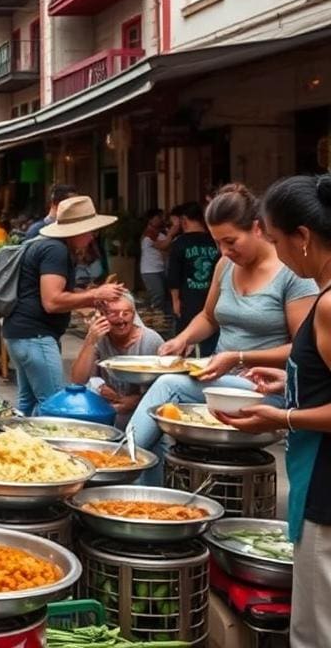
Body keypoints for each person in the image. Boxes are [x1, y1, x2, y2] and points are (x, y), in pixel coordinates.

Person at [128, 183, 317, 484]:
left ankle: (122, 463)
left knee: (168, 386)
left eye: (231, 241)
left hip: (263, 390)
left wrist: (239, 357)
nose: (225, 251)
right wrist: (182, 339)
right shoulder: (225, 265)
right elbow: (208, 316)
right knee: (161, 406)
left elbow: (303, 349)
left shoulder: (292, 274)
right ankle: (147, 492)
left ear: (257, 228)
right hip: (219, 381)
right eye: (218, 243)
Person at [216, 175, 331, 647]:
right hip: (314, 474)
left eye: (279, 240)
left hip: (326, 483)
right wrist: (292, 381)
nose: (279, 254)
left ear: (302, 237)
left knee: (315, 629)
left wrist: (280, 417)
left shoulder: (326, 304)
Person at [3, 196, 123, 415]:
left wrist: (91, 297)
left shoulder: (50, 247)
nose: (91, 236)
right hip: (35, 336)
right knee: (55, 406)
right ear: (76, 230)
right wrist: (96, 292)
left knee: (28, 404)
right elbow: (52, 301)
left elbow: (56, 293)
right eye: (88, 231)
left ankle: (19, 446)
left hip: (21, 334)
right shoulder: (55, 250)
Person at [70, 294, 163, 425]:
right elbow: (77, 380)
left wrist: (136, 401)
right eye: (113, 313)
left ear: (134, 315)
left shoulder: (150, 340)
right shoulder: (101, 337)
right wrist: (90, 340)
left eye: (126, 313)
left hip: (146, 410)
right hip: (113, 409)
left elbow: (166, 388)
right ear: (102, 316)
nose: (121, 320)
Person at [167, 202, 219, 356]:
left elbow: (173, 275)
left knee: (187, 336)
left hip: (189, 298)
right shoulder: (214, 240)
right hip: (213, 295)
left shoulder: (180, 243)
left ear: (184, 220)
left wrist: (175, 301)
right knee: (212, 331)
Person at [140, 208, 179, 315]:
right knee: (158, 296)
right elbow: (163, 245)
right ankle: (155, 320)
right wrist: (171, 233)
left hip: (160, 268)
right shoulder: (149, 234)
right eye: (159, 217)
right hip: (150, 270)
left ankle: (160, 320)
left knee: (164, 297)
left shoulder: (160, 231)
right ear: (151, 219)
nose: (161, 219)